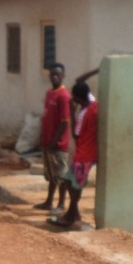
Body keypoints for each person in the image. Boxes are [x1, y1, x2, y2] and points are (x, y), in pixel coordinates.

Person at [49, 80, 99, 229]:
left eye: (74, 97)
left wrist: (71, 111)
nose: (72, 99)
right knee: (68, 181)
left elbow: (75, 135)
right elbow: (81, 83)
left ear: (78, 98)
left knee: (76, 185)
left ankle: (70, 215)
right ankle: (73, 213)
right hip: (83, 153)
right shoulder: (93, 103)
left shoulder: (84, 113)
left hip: (84, 155)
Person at [35, 62, 71, 212]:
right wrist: (43, 139)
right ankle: (49, 201)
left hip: (58, 145)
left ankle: (61, 204)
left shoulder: (64, 96)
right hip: (47, 142)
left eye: (58, 74)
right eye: (52, 74)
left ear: (63, 76)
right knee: (51, 175)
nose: (55, 77)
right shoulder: (49, 93)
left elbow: (64, 122)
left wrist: (54, 141)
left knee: (61, 175)